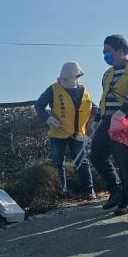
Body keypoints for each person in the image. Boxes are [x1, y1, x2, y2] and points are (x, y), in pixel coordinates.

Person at [88, 34, 128, 215]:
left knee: (123, 159)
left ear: (121, 51)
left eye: (108, 51)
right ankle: (115, 190)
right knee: (96, 155)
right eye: (104, 52)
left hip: (126, 120)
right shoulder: (108, 74)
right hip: (107, 120)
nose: (105, 55)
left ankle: (127, 199)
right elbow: (104, 98)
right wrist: (97, 120)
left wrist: (122, 111)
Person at [34, 61, 96, 199]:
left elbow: (94, 110)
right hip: (58, 133)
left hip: (77, 134)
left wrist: (90, 129)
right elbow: (39, 106)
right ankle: (62, 192)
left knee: (81, 161)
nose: (67, 80)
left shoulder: (83, 92)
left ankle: (89, 190)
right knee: (58, 163)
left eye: (71, 77)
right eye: (65, 78)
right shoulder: (53, 89)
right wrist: (47, 118)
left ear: (77, 76)